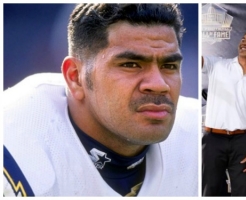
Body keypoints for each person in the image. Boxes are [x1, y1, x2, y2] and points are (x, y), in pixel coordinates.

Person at [3, 4, 198, 196]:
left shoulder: (201, 136)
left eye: (170, 66)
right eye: (130, 64)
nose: (158, 84)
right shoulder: (15, 140)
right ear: (75, 77)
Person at [202, 30, 246, 196]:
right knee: (210, 190)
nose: (244, 43)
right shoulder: (217, 65)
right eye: (243, 39)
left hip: (242, 142)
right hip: (213, 140)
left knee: (241, 191)